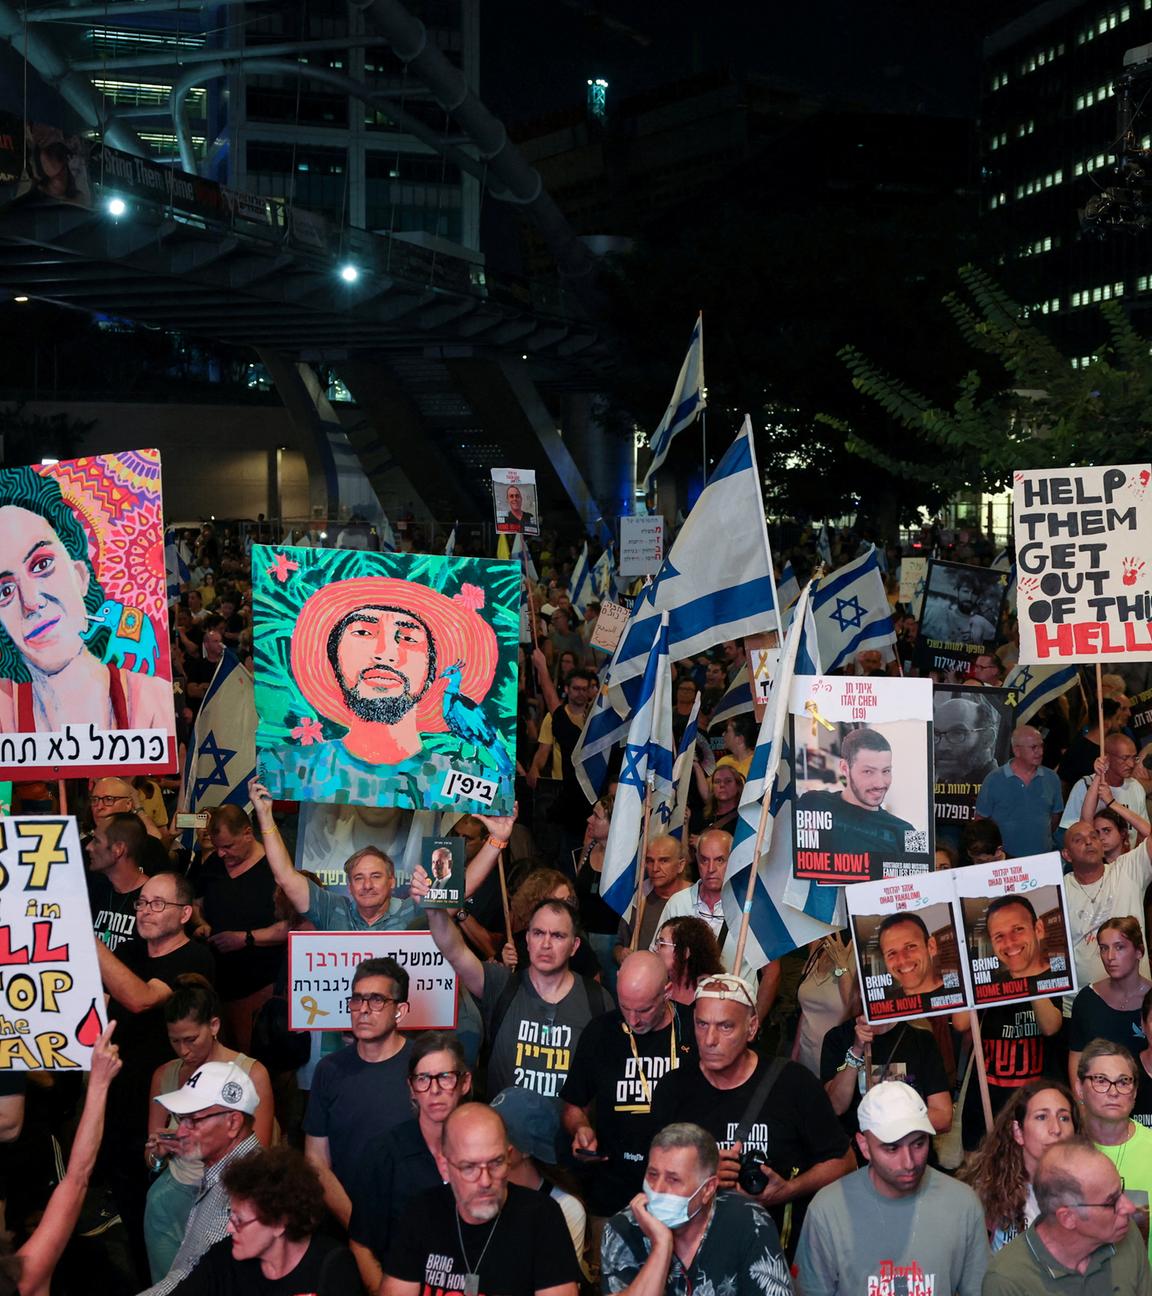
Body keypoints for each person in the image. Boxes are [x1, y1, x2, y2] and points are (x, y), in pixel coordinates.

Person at [256, 576, 513, 810]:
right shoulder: (283, 770)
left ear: (431, 668)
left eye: (409, 638)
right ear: (333, 655)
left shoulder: (474, 785)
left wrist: (496, 840)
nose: (386, 653)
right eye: (364, 632)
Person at [650, 973, 853, 1251]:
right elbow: (651, 1184)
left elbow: (845, 1161)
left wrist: (789, 1190)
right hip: (697, 1257)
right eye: (701, 1024)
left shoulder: (793, 1082)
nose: (710, 1039)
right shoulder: (673, 1089)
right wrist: (702, 1178)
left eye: (725, 1027)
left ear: (752, 1027)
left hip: (775, 1254)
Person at [95, 869, 216, 1281]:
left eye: (157, 904)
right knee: (128, 1202)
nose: (145, 911)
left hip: (170, 1107)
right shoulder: (127, 951)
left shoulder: (194, 959)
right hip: (118, 1094)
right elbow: (103, 1005)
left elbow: (140, 998)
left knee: (169, 1212)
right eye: (142, 902)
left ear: (185, 913)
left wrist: (90, 942)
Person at [0, 464, 173, 734]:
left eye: (42, 564)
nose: (31, 602)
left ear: (80, 574)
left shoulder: (153, 705)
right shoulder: (4, 713)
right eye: (5, 591)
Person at [794, 1080, 989, 1296]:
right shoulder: (827, 1210)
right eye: (892, 1148)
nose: (909, 1162)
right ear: (864, 1146)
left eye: (918, 1144)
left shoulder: (963, 1204)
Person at [560, 951, 695, 1260]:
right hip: (612, 1196)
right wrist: (580, 1128)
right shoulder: (600, 1032)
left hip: (680, 1199)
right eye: (625, 1007)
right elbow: (572, 1105)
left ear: (667, 992)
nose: (633, 1020)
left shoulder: (694, 1029)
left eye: (645, 1009)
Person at [420, 883, 613, 1097]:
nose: (546, 944)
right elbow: (453, 950)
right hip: (505, 1128)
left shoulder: (597, 999)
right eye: (538, 933)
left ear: (575, 946)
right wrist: (434, 911)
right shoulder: (501, 985)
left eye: (557, 936)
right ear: (528, 939)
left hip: (570, 1129)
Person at [144, 976, 275, 1281]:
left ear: (214, 1026)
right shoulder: (164, 1074)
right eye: (175, 1040)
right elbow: (150, 1157)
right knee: (169, 1285)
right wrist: (159, 1154)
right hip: (169, 1202)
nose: (183, 1050)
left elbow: (262, 1156)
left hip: (228, 1199)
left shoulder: (250, 1074)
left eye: (191, 1039)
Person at [381, 1104, 581, 1296]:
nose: (485, 1181)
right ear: (444, 1165)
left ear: (509, 1157)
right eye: (469, 1167)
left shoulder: (541, 1216)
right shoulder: (422, 1211)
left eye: (496, 1163)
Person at [599, 1122, 791, 1296]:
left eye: (673, 1179)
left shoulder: (750, 1222)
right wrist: (662, 1245)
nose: (657, 1189)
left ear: (707, 1189)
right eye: (652, 1174)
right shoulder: (622, 1228)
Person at [346, 1032, 472, 1294]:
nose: (434, 1090)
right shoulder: (384, 1153)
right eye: (423, 1079)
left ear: (465, 1082)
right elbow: (362, 1244)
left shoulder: (483, 1147)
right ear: (411, 1088)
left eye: (445, 1077)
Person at [302, 956, 412, 1227]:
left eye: (377, 1001)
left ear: (400, 1011)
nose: (363, 1009)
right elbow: (316, 1158)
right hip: (343, 1225)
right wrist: (357, 1225)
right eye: (357, 999)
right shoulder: (329, 1070)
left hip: (410, 1226)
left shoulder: (423, 1066)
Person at [166, 1144, 359, 1296]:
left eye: (239, 1221)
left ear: (279, 1223)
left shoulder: (332, 1267)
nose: (229, 1228)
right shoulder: (223, 1259)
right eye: (231, 1216)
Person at [142, 1061, 264, 1296]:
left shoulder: (243, 1192)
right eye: (180, 1118)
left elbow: (195, 1281)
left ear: (233, 1123)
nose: (180, 1131)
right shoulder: (228, 1169)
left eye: (193, 1120)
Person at [250, 778, 427, 933]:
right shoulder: (331, 910)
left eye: (376, 876)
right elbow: (285, 876)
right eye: (358, 878)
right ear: (349, 886)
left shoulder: (412, 911)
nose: (367, 885)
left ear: (392, 881)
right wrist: (265, 815)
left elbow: (450, 902)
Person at [983, 1139, 1149, 1294]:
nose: (1129, 1207)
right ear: (1067, 1217)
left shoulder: (1127, 1235)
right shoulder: (1006, 1281)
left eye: (1122, 1190)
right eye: (1112, 1202)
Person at [193, 805, 287, 1052]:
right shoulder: (213, 863)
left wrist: (246, 938)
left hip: (260, 985)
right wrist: (201, 924)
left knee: (254, 1057)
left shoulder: (275, 868)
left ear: (247, 833)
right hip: (216, 985)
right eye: (218, 847)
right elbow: (195, 904)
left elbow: (292, 926)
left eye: (228, 846)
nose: (222, 854)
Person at [959, 1081, 1077, 1251]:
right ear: (1018, 1131)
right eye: (1042, 1117)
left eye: (1064, 1118)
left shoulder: (1090, 1192)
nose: (1056, 1128)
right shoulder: (985, 1192)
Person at [1073, 1037, 1152, 1261]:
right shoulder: (1062, 1154)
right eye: (1100, 1080)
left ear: (1135, 1092)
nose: (1113, 1091)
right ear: (1080, 1088)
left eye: (1124, 1081)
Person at [820, 1010, 952, 1140]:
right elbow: (837, 1107)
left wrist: (890, 1128)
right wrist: (856, 1051)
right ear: (860, 992)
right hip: (858, 1152)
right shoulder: (837, 1037)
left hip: (908, 1150)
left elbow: (943, 1118)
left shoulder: (921, 1038)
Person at [492, 1087, 587, 1262]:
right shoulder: (481, 1194)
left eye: (498, 1134)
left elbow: (559, 1285)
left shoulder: (565, 1208)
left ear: (526, 1150)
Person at [794, 727, 917, 862]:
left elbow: (921, 880)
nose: (880, 783)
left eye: (886, 771)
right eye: (868, 772)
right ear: (845, 768)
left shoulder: (909, 833)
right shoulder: (813, 803)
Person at [1061, 821, 1152, 992]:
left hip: (1139, 997)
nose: (1089, 842)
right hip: (1081, 1001)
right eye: (1078, 840)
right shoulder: (1059, 890)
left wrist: (1112, 802)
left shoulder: (1128, 869)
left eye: (1094, 837)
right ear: (1067, 854)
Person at [1068, 917, 1151, 1082]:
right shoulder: (1087, 1000)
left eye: (1119, 947)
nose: (1110, 956)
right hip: (1099, 1100)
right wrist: (1082, 1105)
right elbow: (1077, 1059)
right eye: (1104, 948)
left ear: (1139, 951)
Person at [974, 726, 1064, 858]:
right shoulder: (994, 780)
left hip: (1043, 858)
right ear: (1017, 750)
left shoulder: (1052, 778)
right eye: (1033, 747)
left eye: (1041, 746)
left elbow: (1055, 817)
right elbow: (980, 822)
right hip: (1005, 861)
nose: (1040, 752)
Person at [612, 836, 692, 962]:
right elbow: (618, 944)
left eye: (664, 861)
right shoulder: (639, 896)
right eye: (650, 861)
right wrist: (621, 954)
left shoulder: (695, 899)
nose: (655, 868)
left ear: (681, 865)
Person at [87, 809, 149, 959]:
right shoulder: (96, 889)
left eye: (96, 841)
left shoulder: (152, 899)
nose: (88, 847)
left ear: (118, 849)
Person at [1062, 735, 1149, 842]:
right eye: (1125, 758)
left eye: (1134, 758)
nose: (1131, 764)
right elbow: (1071, 832)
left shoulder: (1136, 787)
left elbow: (1144, 834)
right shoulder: (1084, 786)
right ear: (1106, 757)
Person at [793, 934, 857, 1077]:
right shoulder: (816, 946)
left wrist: (842, 965)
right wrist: (794, 1056)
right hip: (806, 1063)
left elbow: (854, 1010)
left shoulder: (858, 952)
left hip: (837, 1063)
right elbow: (806, 1009)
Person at [876, 912, 946, 1006]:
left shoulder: (962, 991)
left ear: (931, 946)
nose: (902, 960)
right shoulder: (885, 1005)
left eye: (910, 947)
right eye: (892, 953)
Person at [934, 691, 1003, 784]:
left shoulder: (998, 787)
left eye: (957, 733)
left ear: (988, 739)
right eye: (936, 733)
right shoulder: (946, 782)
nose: (942, 747)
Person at [984, 895, 1052, 986]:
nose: (1009, 943)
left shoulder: (1067, 976)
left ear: (1038, 929)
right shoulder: (992, 988)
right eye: (999, 936)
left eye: (1018, 929)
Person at [920, 569, 998, 646]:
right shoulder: (938, 614)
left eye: (974, 594)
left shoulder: (981, 623)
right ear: (957, 591)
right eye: (965, 591)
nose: (969, 597)